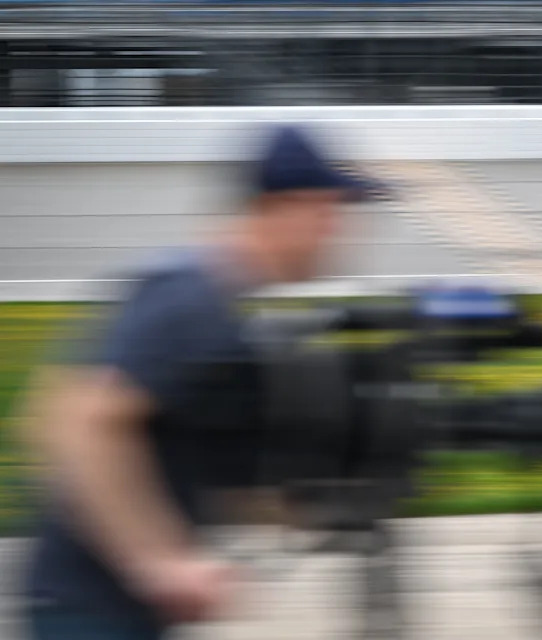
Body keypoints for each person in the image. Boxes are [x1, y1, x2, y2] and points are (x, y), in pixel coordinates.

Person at [19, 123, 375, 640]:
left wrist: (295, 509)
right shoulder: (194, 301)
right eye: (330, 211)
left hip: (111, 614)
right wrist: (160, 563)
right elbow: (74, 423)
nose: (338, 230)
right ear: (289, 207)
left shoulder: (219, 308)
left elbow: (183, 457)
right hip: (90, 614)